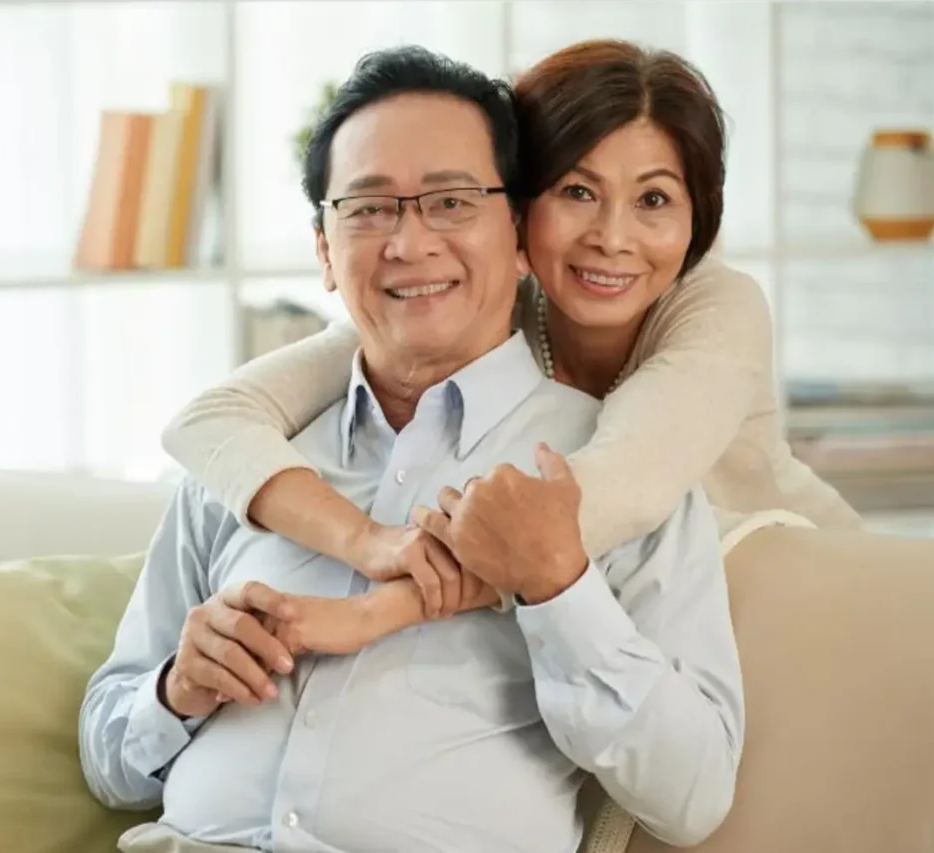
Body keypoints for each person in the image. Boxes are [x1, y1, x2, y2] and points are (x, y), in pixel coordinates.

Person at [79, 46, 742, 853]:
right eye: (368, 209)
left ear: (519, 232)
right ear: (324, 250)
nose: (409, 242)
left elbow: (695, 795)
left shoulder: (617, 475)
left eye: (451, 201)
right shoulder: (251, 464)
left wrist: (557, 589)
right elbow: (107, 756)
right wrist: (177, 689)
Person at [162, 39, 856, 626]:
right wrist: (364, 540)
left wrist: (377, 612)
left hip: (801, 591)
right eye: (577, 192)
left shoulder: (718, 305)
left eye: (654, 200)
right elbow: (211, 418)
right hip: (637, 614)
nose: (613, 238)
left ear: (697, 216)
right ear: (519, 215)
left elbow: (614, 495)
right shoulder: (497, 298)